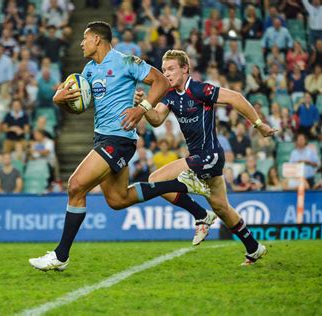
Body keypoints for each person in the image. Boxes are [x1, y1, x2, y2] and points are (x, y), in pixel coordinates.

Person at [29, 22, 210, 272]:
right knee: (117, 199)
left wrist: (142, 108)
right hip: (102, 138)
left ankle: (61, 255)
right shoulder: (89, 70)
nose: (81, 43)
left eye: (85, 38)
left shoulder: (126, 62)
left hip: (120, 139)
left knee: (76, 185)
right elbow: (77, 105)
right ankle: (189, 197)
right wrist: (59, 100)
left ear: (97, 40)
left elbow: (160, 82)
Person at [133, 50, 277, 265]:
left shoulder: (200, 90)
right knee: (221, 207)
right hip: (198, 160)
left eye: (171, 69)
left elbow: (235, 98)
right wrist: (143, 106)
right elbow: (156, 120)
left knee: (155, 180)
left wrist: (258, 124)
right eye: (164, 70)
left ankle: (201, 215)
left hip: (210, 156)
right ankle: (253, 248)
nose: (167, 74)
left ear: (185, 68)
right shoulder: (170, 96)